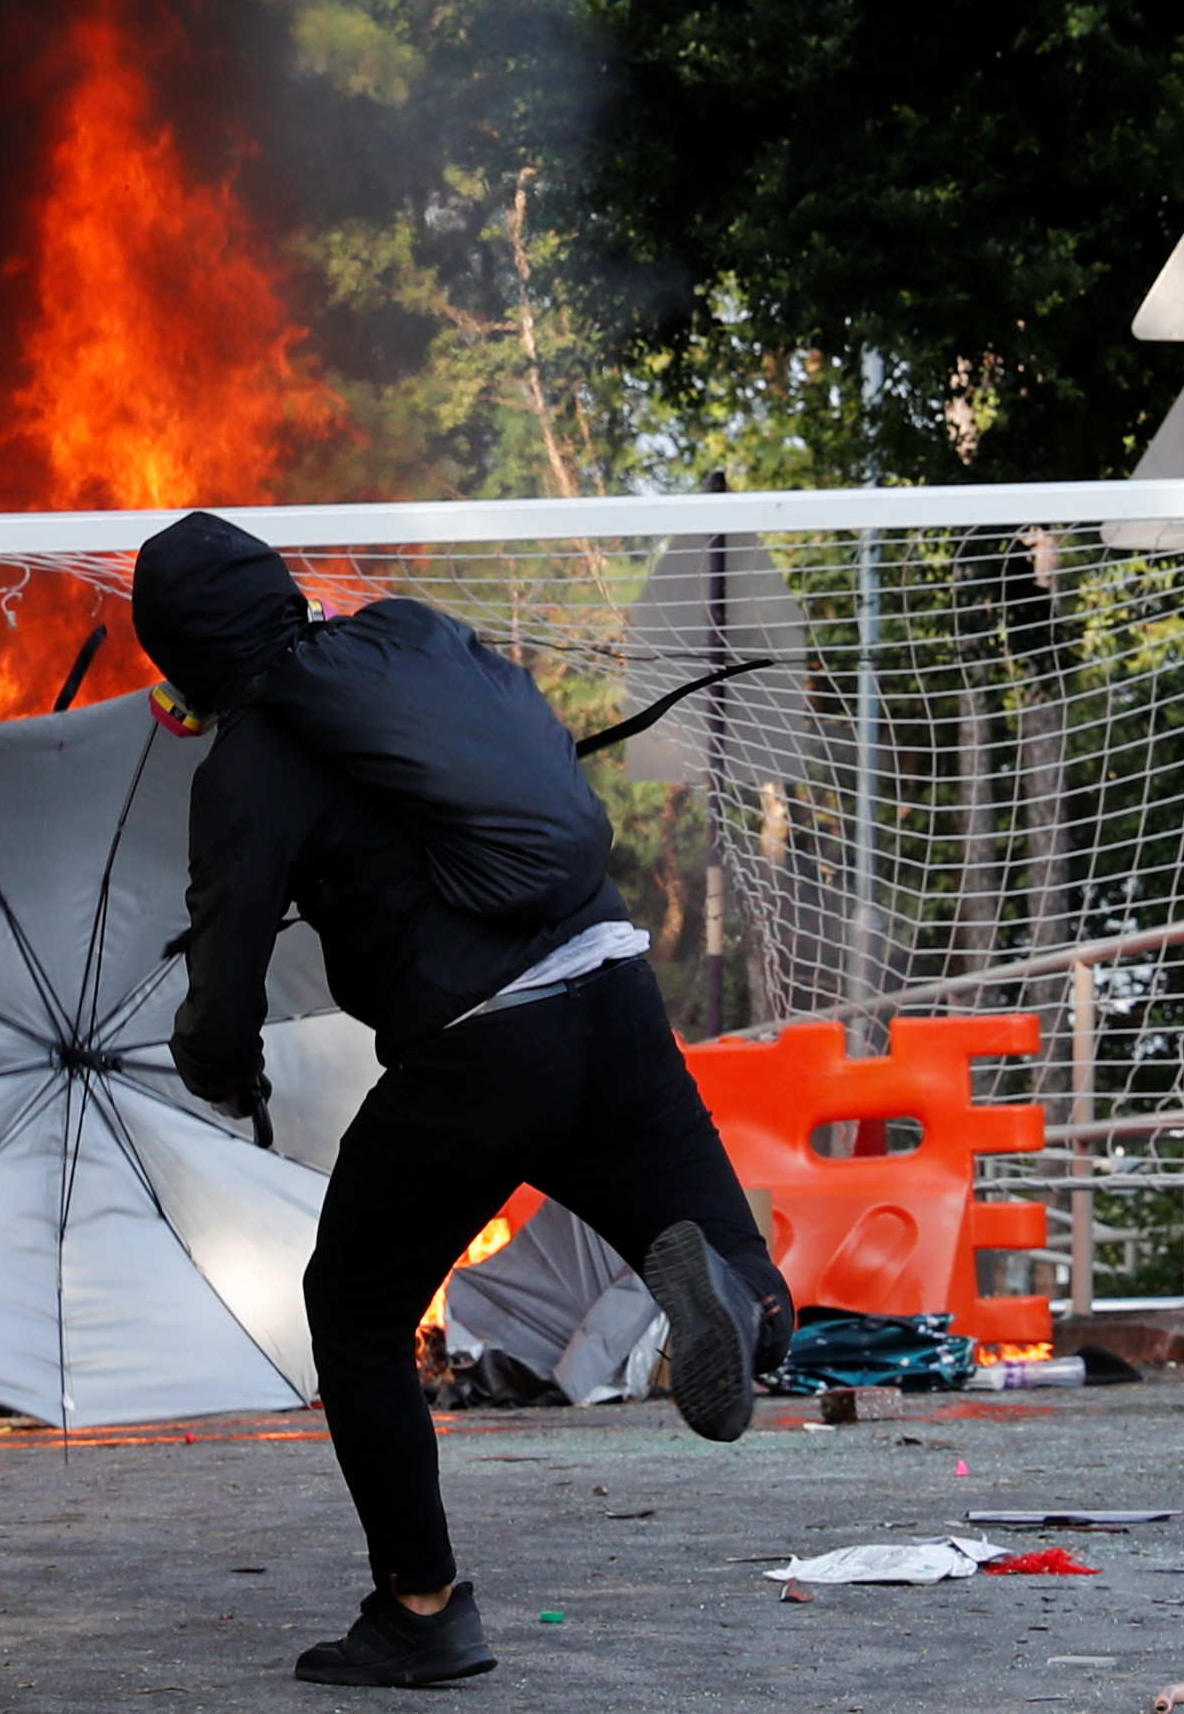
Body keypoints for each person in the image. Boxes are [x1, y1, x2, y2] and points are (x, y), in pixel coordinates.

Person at [132, 510, 793, 1689]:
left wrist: (218, 1068)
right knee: (742, 1279)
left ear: (182, 667)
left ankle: (422, 1608)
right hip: (613, 989)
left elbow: (225, 981)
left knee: (353, 1307)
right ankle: (735, 1311)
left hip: (485, 1052)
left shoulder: (248, 761)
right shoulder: (410, 640)